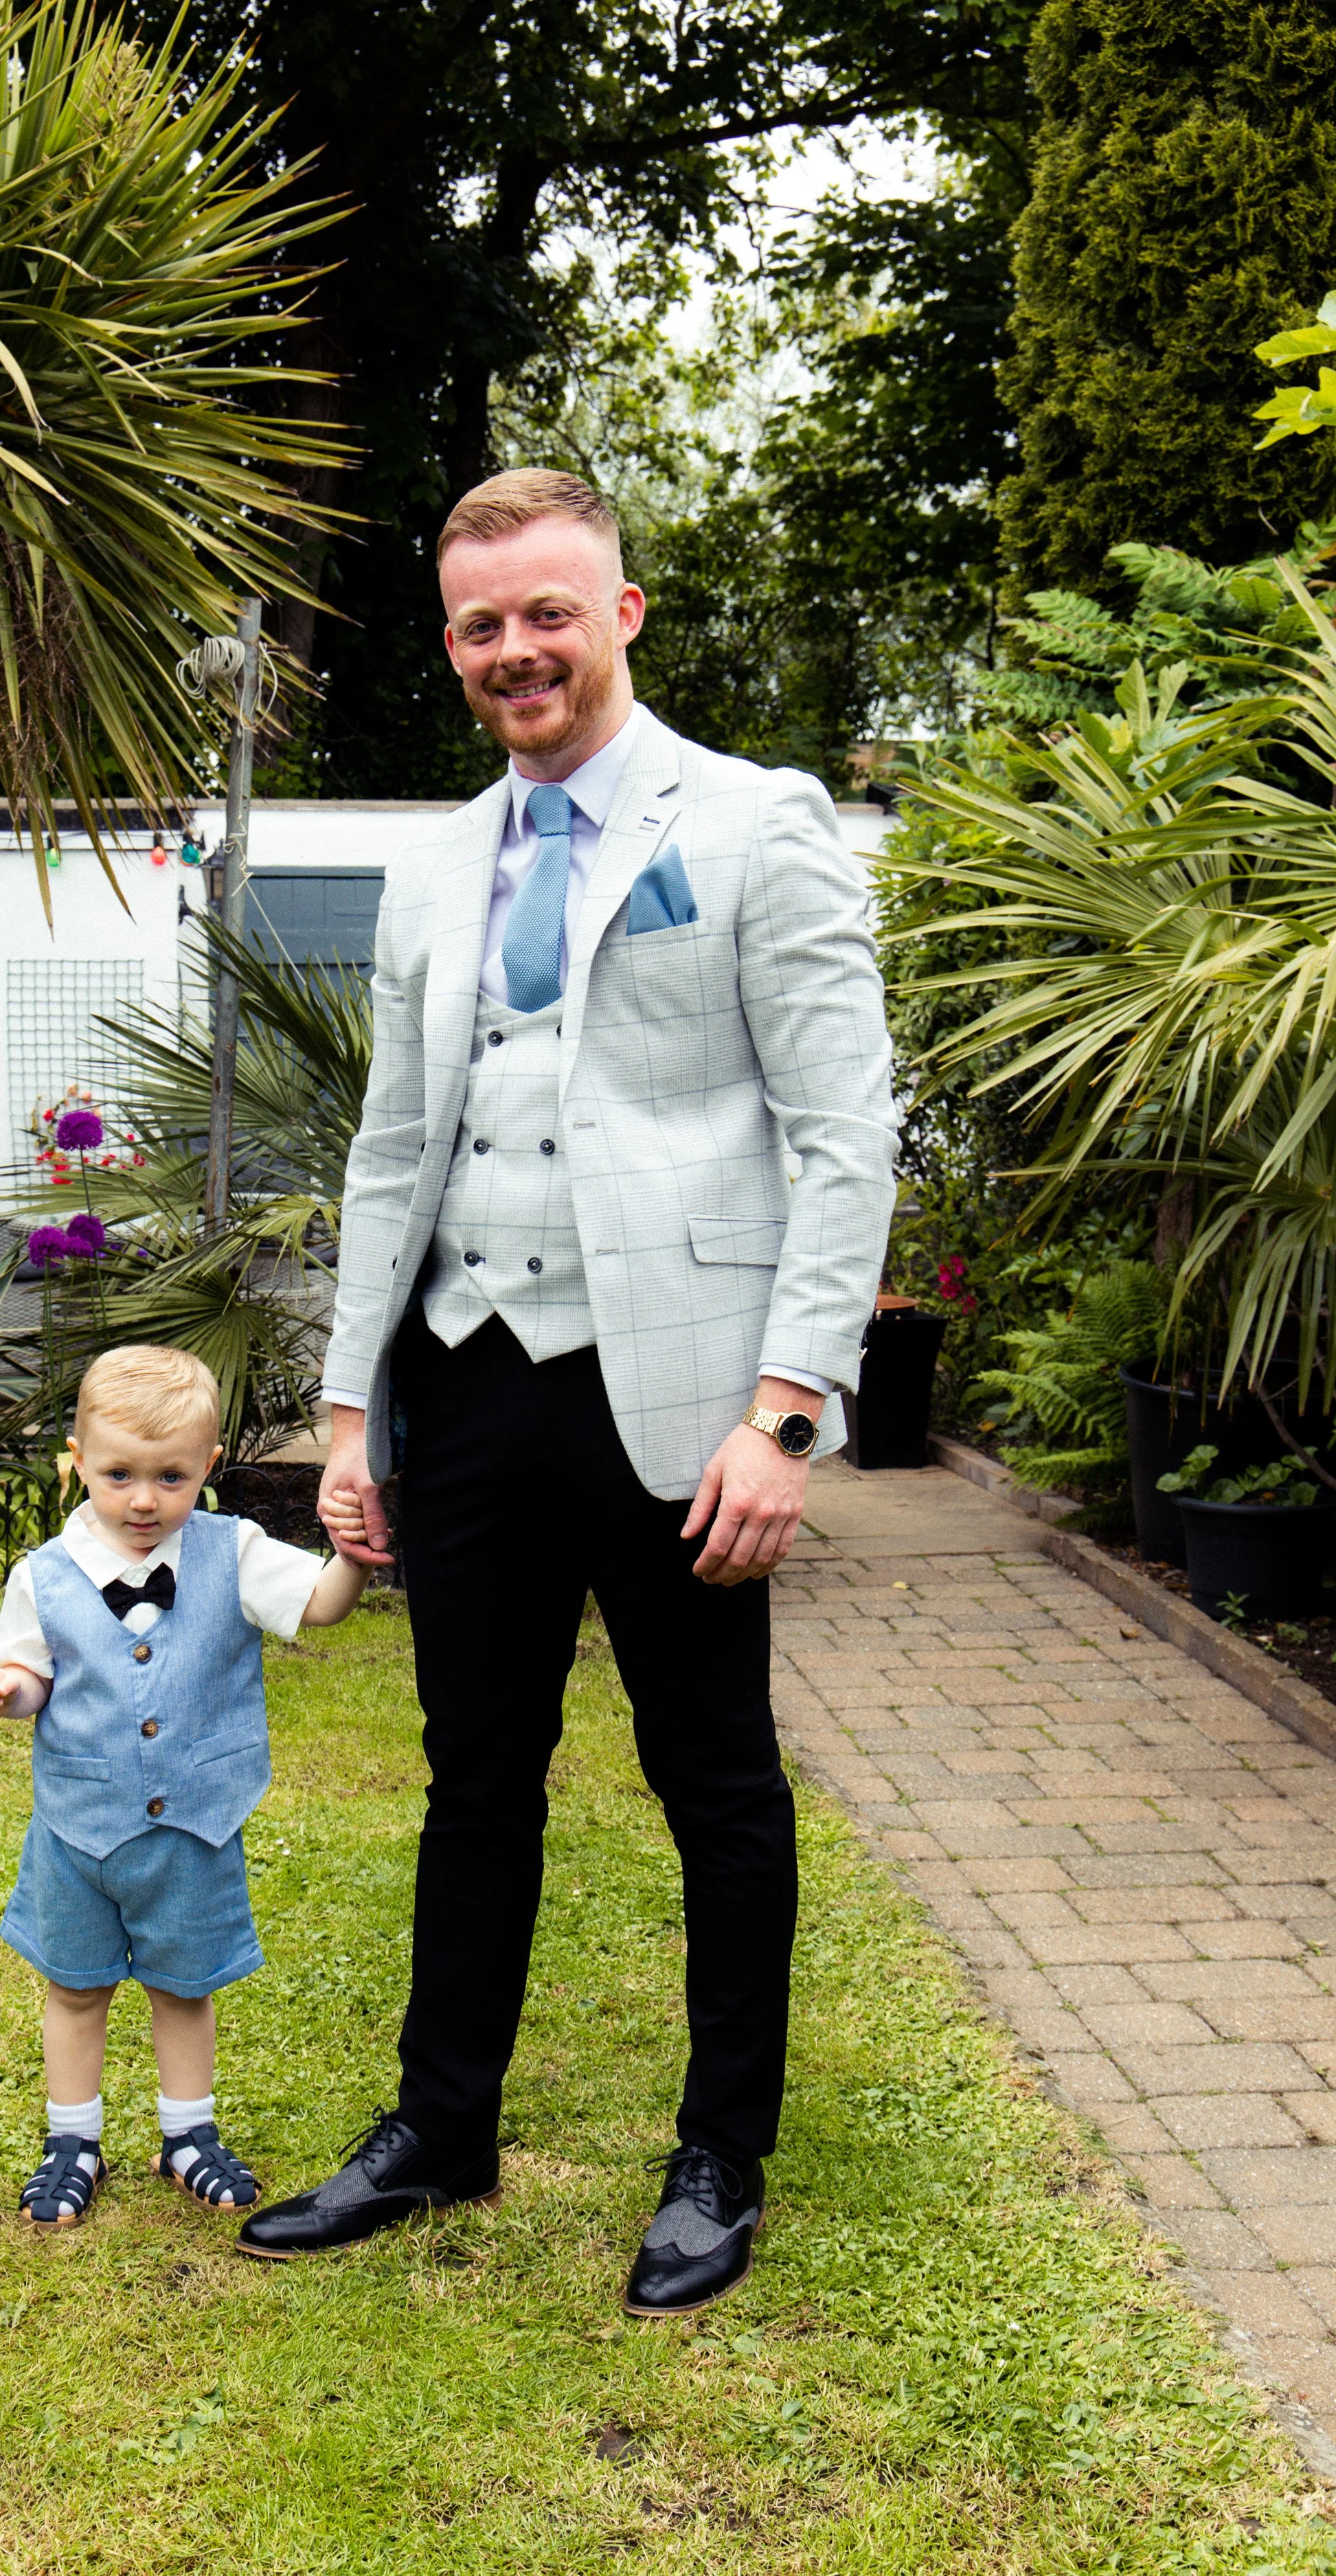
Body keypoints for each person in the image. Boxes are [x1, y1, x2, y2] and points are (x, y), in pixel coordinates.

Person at [236, 468, 896, 2316]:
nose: (512, 649)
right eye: (479, 625)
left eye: (544, 611)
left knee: (713, 1776)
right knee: (474, 1771)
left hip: (675, 1393)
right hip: (463, 1377)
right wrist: (351, 1413)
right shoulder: (438, 860)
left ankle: (719, 2151)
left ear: (619, 611)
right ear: (452, 648)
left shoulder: (756, 823)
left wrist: (783, 1413)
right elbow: (389, 1146)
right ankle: (440, 2126)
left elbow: (842, 1138)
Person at [0, 1344, 369, 2229]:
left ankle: (188, 2134)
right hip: (79, 1829)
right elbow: (31, 1676)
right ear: (77, 1461)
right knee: (75, 1987)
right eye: (119, 1475)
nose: (144, 1500)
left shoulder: (235, 1552)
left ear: (208, 1466)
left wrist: (354, 1557)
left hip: (195, 1828)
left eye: (171, 1477)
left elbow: (321, 1605)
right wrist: (5, 1692)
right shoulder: (44, 1575)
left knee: (185, 1987)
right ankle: (72, 2141)